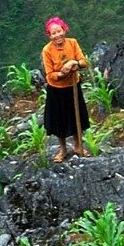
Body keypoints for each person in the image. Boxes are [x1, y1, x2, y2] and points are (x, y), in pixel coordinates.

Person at [41, 15, 89, 162]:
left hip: (73, 86)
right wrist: (62, 73)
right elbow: (50, 75)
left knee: (76, 117)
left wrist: (74, 63)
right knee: (59, 121)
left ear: (64, 30)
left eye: (59, 31)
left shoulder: (73, 43)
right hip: (57, 90)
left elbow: (83, 62)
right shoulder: (47, 51)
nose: (57, 35)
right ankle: (62, 150)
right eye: (53, 33)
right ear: (49, 36)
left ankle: (78, 145)